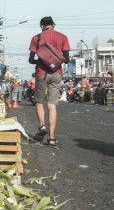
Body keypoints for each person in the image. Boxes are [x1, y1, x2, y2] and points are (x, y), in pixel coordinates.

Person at [29, 16, 70, 146]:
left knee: (39, 101)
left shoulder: (36, 38)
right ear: (54, 25)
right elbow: (67, 59)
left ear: (42, 26)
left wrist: (42, 60)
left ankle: (42, 126)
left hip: (42, 73)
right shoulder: (63, 37)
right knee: (52, 105)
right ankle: (51, 138)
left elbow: (31, 60)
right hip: (57, 73)